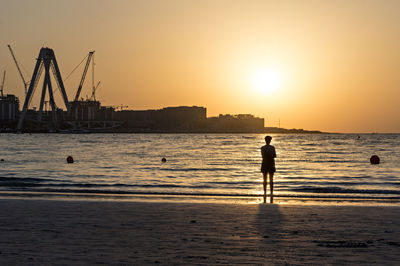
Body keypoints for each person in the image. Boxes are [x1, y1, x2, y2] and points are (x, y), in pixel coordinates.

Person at [261, 135, 276, 203]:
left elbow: (263, 155)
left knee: (265, 179)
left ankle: (265, 193)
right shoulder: (272, 147)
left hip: (264, 163)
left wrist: (268, 154)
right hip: (271, 164)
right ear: (270, 141)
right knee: (271, 179)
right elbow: (275, 155)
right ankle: (271, 193)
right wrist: (270, 155)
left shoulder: (262, 148)